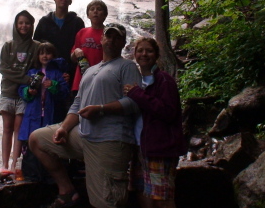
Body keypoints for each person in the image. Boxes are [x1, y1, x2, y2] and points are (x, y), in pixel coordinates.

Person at [29, 23, 142, 208]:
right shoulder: (90, 70)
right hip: (83, 136)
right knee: (37, 140)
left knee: (106, 201)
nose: (112, 40)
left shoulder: (127, 66)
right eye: (109, 36)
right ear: (101, 39)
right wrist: (64, 128)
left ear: (123, 43)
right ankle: (67, 190)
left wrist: (101, 109)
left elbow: (134, 102)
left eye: (117, 37)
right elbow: (77, 103)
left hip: (109, 140)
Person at [124, 37, 187, 208]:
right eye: (140, 50)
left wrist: (138, 94)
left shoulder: (164, 81)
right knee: (143, 192)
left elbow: (168, 112)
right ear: (134, 54)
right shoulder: (134, 81)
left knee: (162, 197)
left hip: (159, 148)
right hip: (139, 146)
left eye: (149, 51)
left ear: (157, 55)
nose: (144, 54)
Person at [17, 42, 70, 182]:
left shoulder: (57, 73)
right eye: (42, 53)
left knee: (48, 144)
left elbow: (64, 92)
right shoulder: (31, 72)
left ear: (53, 55)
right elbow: (22, 91)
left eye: (48, 53)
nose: (45, 56)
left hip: (50, 115)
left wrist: (53, 85)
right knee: (31, 145)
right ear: (37, 56)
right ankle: (31, 174)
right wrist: (29, 91)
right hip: (33, 115)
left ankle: (49, 175)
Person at [0, 10, 40, 173]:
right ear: (16, 25)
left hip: (25, 95)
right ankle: (4, 165)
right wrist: (25, 79)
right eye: (20, 23)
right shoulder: (8, 46)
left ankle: (15, 164)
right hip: (8, 92)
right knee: (7, 128)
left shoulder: (36, 46)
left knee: (19, 130)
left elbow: (39, 67)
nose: (24, 26)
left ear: (31, 25)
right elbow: (3, 69)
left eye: (27, 23)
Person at [70, 0, 107, 93]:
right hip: (80, 81)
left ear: (105, 14)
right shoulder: (82, 32)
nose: (95, 11)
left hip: (100, 79)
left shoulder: (108, 33)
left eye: (99, 9)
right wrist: (76, 52)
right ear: (88, 15)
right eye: (92, 9)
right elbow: (72, 58)